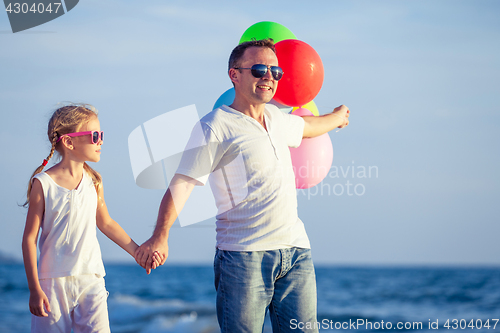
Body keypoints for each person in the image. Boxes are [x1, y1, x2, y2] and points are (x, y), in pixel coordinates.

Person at [135, 39, 350, 332]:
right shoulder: (216, 125)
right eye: (260, 69)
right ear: (234, 75)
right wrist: (160, 235)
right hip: (244, 258)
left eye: (276, 72)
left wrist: (337, 118)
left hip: (296, 252)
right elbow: (183, 183)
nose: (269, 77)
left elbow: (310, 128)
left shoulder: (277, 118)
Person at [21, 104, 162, 333]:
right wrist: (34, 289)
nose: (101, 141)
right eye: (95, 136)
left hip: (91, 278)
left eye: (101, 135)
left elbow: (105, 222)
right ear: (69, 142)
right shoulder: (43, 184)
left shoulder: (94, 181)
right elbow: (29, 239)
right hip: (53, 284)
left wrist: (137, 252)